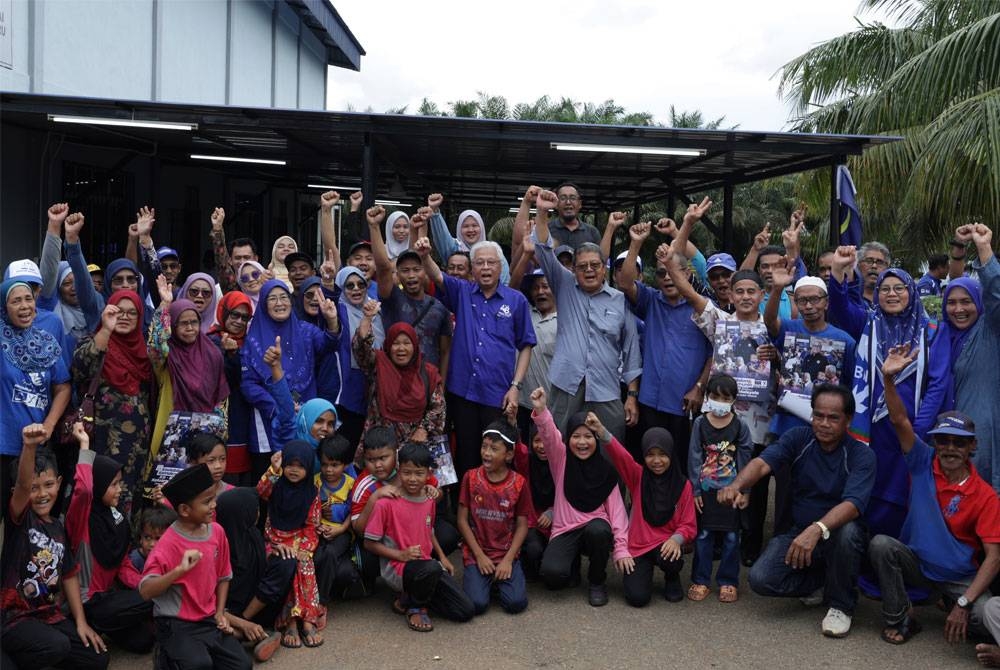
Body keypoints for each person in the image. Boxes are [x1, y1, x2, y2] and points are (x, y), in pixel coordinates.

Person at [718, 384, 876, 638]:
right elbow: (762, 464)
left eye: (833, 418)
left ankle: (841, 605)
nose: (824, 424)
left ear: (848, 420)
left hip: (838, 537)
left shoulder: (861, 455)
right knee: (761, 578)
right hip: (799, 532)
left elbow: (853, 504)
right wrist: (736, 486)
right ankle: (823, 583)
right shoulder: (799, 438)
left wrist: (817, 529)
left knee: (848, 532)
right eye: (818, 415)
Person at [871, 344, 1000, 648]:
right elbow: (899, 421)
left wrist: (964, 603)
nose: (950, 448)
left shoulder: (986, 496)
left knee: (984, 619)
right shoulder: (922, 461)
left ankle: (951, 602)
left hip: (959, 578)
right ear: (935, 443)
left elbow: (994, 558)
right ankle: (901, 617)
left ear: (972, 447)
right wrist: (888, 379)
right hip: (917, 564)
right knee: (881, 545)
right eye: (943, 441)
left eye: (960, 442)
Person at [828, 246, 935, 539]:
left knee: (909, 491)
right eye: (885, 289)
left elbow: (938, 383)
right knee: (872, 488)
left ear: (911, 292)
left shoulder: (930, 331)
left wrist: (921, 427)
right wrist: (838, 270)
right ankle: (865, 554)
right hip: (872, 427)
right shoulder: (867, 322)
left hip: (913, 426)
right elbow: (839, 307)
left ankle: (899, 554)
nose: (891, 294)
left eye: (899, 288)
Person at [415, 235, 535, 483]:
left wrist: (516, 386)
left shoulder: (516, 300)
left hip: (497, 393)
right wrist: (425, 256)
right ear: (472, 269)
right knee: (465, 455)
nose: (486, 268)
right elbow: (437, 276)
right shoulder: (463, 292)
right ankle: (464, 503)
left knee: (496, 456)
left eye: (491, 262)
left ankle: (493, 504)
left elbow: (526, 346)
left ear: (500, 267)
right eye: (480, 263)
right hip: (462, 393)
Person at [531, 189, 640, 443]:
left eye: (595, 265)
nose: (589, 270)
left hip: (606, 388)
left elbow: (631, 350)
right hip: (566, 385)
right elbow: (543, 249)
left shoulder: (619, 300)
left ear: (604, 269)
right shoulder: (564, 285)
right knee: (558, 444)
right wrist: (542, 211)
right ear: (574, 270)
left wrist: (632, 395)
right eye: (582, 266)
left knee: (610, 449)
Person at [1, 425, 108, 670]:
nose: (42, 494)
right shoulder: (20, 518)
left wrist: (81, 622)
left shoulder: (58, 528)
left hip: (48, 616)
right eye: (34, 488)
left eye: (48, 484)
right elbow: (23, 486)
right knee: (55, 646)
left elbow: (69, 575)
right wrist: (29, 446)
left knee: (96, 659)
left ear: (59, 484)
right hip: (14, 618)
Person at [620, 216, 713, 466]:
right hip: (650, 400)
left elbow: (714, 352)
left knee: (680, 465)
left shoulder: (701, 308)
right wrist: (636, 243)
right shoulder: (650, 300)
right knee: (649, 461)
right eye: (662, 272)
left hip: (685, 403)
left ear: (687, 274)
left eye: (674, 271)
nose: (668, 277)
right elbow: (625, 282)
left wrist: (699, 387)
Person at [139, 464, 250, 670]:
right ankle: (164, 655)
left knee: (242, 665)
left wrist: (219, 613)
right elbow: (145, 591)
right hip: (175, 623)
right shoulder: (168, 543)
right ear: (184, 510)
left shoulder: (217, 532)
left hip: (207, 619)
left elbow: (224, 576)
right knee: (199, 664)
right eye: (207, 502)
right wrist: (178, 571)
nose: (214, 505)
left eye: (213, 498)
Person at [918, 223, 1000, 492]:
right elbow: (955, 283)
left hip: (981, 440)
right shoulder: (940, 335)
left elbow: (996, 295)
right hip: (943, 440)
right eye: (951, 303)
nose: (958, 309)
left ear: (979, 303)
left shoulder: (990, 330)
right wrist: (958, 248)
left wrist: (984, 248)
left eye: (967, 302)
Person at [530, 389, 630, 607]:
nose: (582, 442)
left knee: (599, 530)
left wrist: (621, 548)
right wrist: (541, 409)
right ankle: (572, 564)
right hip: (566, 529)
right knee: (553, 576)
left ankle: (597, 581)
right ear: (568, 439)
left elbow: (618, 513)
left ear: (596, 439)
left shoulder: (606, 471)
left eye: (588, 436)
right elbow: (550, 436)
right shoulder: (561, 460)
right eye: (576, 436)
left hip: (595, 528)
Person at [363, 442, 475, 632]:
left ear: (428, 474)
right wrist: (400, 555)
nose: (412, 479)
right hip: (399, 567)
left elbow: (429, 531)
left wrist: (442, 557)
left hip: (427, 566)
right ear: (399, 471)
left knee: (465, 610)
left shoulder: (429, 500)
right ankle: (416, 607)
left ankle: (408, 599)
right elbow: (369, 543)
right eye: (407, 473)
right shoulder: (386, 503)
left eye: (419, 473)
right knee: (431, 568)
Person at [64, 426, 154, 654]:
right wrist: (84, 445)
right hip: (86, 602)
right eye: (113, 484)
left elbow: (122, 565)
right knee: (150, 599)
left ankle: (100, 626)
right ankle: (81, 624)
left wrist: (144, 583)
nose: (120, 490)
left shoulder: (117, 518)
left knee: (143, 642)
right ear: (99, 485)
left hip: (108, 599)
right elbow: (84, 490)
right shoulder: (82, 518)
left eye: (120, 483)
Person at [595, 415, 697, 608]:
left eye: (662, 454)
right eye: (650, 455)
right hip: (639, 545)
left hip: (666, 544)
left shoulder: (683, 485)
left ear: (671, 453)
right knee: (637, 598)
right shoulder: (638, 476)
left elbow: (689, 524)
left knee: (671, 558)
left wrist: (677, 539)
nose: (657, 461)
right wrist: (601, 431)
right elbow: (621, 456)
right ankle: (645, 573)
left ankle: (672, 577)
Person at [72, 291, 153, 513]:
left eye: (132, 313)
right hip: (102, 442)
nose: (125, 317)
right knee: (99, 498)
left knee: (131, 504)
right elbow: (80, 370)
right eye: (118, 312)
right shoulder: (95, 340)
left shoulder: (143, 353)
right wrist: (106, 329)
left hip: (137, 449)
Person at [240, 279, 339, 455]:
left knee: (306, 462)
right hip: (270, 419)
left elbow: (328, 345)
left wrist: (331, 321)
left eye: (284, 297)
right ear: (263, 305)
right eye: (272, 299)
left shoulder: (305, 330)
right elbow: (248, 384)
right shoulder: (253, 340)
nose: (279, 303)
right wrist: (278, 406)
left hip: (307, 416)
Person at [0, 278, 71, 515]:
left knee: (28, 523)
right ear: (4, 307)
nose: (24, 306)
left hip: (38, 447)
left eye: (28, 299)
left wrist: (49, 424)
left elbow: (63, 386)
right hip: (4, 446)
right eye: (15, 301)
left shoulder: (46, 342)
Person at [687, 374, 753, 603]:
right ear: (707, 397)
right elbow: (694, 457)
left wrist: (745, 490)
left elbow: (746, 458)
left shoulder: (740, 425)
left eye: (725, 398)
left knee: (732, 537)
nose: (720, 402)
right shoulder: (700, 423)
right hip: (706, 489)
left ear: (734, 400)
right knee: (704, 535)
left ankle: (728, 581)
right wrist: (695, 490)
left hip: (731, 491)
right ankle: (701, 580)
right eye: (715, 397)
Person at [147, 283, 230, 458]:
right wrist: (165, 305)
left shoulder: (212, 353)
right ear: (173, 325)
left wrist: (219, 433)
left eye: (194, 322)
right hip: (171, 431)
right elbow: (156, 345)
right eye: (183, 323)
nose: (190, 328)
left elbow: (221, 399)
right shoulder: (168, 355)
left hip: (206, 432)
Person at [457, 421, 530, 615]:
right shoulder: (471, 478)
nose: (486, 453)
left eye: (494, 449)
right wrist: (479, 556)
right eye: (484, 446)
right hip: (477, 553)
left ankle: (499, 579)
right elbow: (462, 520)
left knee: (516, 604)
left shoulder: (519, 483)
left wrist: (508, 560)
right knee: (477, 604)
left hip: (505, 553)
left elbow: (522, 525)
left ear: (509, 455)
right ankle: (485, 581)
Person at [256, 440, 324, 649]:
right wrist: (274, 468)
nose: (294, 470)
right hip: (273, 539)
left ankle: (307, 619)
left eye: (301, 466)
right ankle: (290, 622)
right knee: (287, 564)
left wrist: (305, 548)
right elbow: (260, 491)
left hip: (299, 538)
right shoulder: (275, 485)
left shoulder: (312, 492)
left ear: (309, 467)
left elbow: (312, 525)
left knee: (304, 566)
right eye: (290, 465)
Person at [368, 206, 453, 370]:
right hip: (395, 378)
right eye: (405, 271)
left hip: (428, 381)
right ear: (397, 275)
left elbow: (445, 352)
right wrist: (374, 226)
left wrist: (440, 384)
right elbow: (384, 268)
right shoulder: (392, 299)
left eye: (416, 269)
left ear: (425, 272)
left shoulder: (440, 308)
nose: (411, 275)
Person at [215, 487, 290, 664]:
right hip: (223, 614)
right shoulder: (216, 548)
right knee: (212, 630)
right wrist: (240, 623)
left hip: (254, 608)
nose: (258, 513)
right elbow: (208, 605)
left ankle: (247, 633)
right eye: (254, 509)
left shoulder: (252, 533)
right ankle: (249, 634)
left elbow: (260, 565)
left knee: (286, 562)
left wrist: (274, 552)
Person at [354, 303, 446, 447]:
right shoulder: (378, 364)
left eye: (406, 343)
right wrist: (367, 318)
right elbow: (361, 349)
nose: (401, 348)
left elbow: (438, 407)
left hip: (414, 446)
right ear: (388, 346)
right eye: (395, 343)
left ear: (415, 346)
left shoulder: (428, 373)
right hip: (379, 446)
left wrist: (423, 429)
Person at [208, 292, 258, 485]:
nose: (239, 321)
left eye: (245, 317)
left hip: (245, 416)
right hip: (219, 417)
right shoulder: (210, 341)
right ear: (223, 312)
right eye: (234, 315)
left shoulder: (252, 343)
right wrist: (229, 354)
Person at [333, 266, 383, 446]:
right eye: (349, 285)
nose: (356, 289)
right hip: (350, 383)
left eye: (361, 284)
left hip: (378, 382)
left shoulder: (377, 309)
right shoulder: (337, 310)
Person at [39, 205, 102, 345]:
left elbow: (82, 277)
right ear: (57, 288)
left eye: (76, 282)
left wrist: (73, 238)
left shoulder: (96, 307)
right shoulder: (50, 307)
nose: (74, 288)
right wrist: (54, 225)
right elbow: (49, 269)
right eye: (66, 283)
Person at [313, 436, 362, 602]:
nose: (328, 470)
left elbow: (354, 511)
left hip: (343, 532)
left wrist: (341, 529)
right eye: (324, 464)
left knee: (330, 553)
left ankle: (321, 599)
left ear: (345, 465)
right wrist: (318, 521)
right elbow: (310, 508)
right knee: (317, 555)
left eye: (334, 465)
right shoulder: (315, 482)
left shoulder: (351, 484)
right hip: (319, 529)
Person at [426, 192, 511, 284]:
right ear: (459, 229)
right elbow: (441, 236)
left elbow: (505, 282)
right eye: (465, 226)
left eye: (475, 225)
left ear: (481, 228)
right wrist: (434, 210)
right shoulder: (454, 249)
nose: (471, 230)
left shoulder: (493, 252)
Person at [517, 268, 557, 442]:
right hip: (522, 404)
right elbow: (511, 287)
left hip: (552, 406)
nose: (540, 291)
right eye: (535, 288)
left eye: (545, 286)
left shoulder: (567, 320)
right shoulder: (524, 312)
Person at [292, 276, 345, 407]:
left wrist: (331, 322)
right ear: (301, 297)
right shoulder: (292, 326)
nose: (315, 299)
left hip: (331, 393)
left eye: (320, 295)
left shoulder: (337, 321)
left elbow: (330, 343)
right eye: (309, 295)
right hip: (302, 395)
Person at [512, 422, 554, 580]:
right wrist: (513, 424)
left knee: (556, 573)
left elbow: (569, 496)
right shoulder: (528, 462)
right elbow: (519, 451)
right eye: (537, 440)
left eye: (546, 440)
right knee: (534, 549)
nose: (541, 446)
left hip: (558, 521)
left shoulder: (561, 463)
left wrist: (553, 511)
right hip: (532, 521)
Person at [118, 506, 177, 590]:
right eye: (147, 537)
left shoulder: (174, 558)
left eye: (158, 539)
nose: (152, 544)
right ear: (141, 538)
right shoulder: (134, 560)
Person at [541, 183, 602, 250]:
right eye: (563, 198)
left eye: (573, 198)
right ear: (556, 204)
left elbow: (601, 255)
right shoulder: (546, 230)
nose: (568, 202)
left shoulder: (592, 232)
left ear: (580, 204)